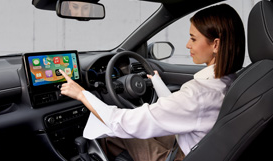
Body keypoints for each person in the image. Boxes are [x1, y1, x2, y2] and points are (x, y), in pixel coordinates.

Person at [59, 3, 245, 160]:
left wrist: (81, 94)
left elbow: (121, 122)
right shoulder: (229, 80)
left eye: (193, 38)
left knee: (111, 135)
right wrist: (156, 82)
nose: (188, 45)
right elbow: (183, 109)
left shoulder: (199, 93)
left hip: (181, 155)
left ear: (216, 44)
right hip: (197, 146)